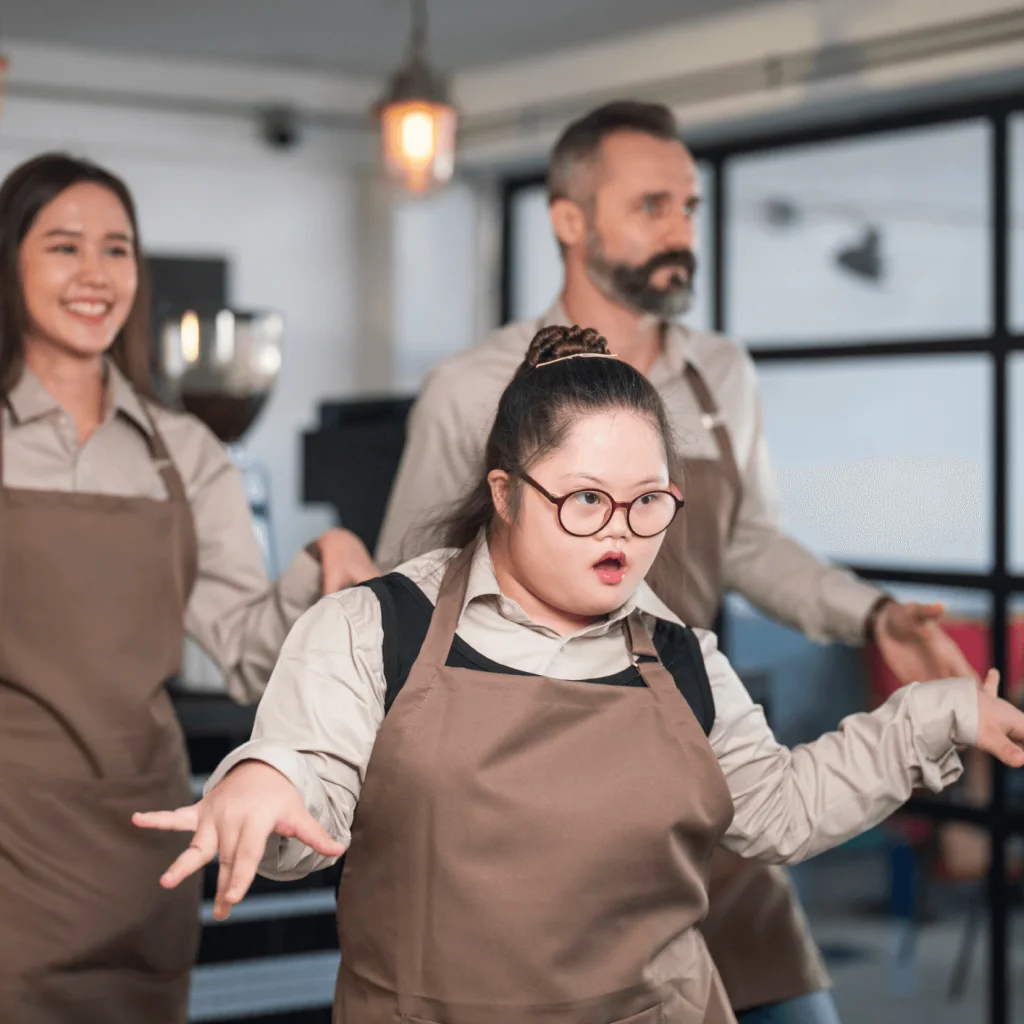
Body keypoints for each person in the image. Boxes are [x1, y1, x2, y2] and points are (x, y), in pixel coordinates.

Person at [136, 325, 1024, 1024]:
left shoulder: (681, 655)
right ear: (506, 492)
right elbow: (307, 792)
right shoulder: (374, 627)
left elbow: (779, 810)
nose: (623, 533)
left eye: (649, 502)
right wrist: (261, 780)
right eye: (587, 498)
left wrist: (933, 717)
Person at [373, 102, 979, 1023]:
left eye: (689, 207)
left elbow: (748, 541)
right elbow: (407, 588)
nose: (682, 232)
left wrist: (874, 615)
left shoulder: (721, 375)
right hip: (537, 795)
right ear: (569, 221)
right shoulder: (472, 388)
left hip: (699, 762)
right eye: (653, 205)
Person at [0, 153, 378, 1024]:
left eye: (117, 249)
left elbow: (251, 653)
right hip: (11, 854)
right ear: (11, 262)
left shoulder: (184, 453)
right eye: (64, 247)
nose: (95, 274)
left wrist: (322, 558)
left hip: (146, 851)